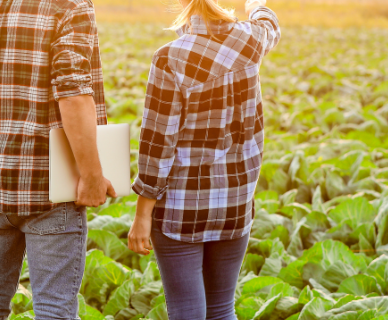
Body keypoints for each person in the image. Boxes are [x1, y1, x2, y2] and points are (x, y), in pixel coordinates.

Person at [0, 0, 115, 319]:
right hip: (49, 184)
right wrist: (92, 175)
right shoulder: (69, 6)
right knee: (54, 307)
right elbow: (73, 94)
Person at [127, 0, 280, 318]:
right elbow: (271, 26)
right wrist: (256, 5)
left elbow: (157, 143)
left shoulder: (170, 57)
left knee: (186, 309)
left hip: (182, 207)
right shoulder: (251, 40)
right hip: (236, 203)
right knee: (223, 309)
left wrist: (143, 214)